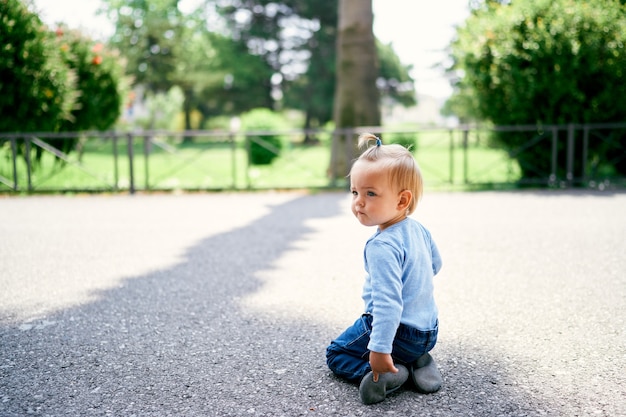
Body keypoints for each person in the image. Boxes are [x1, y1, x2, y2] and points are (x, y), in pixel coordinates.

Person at [326, 133, 443, 405]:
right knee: (404, 341)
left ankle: (391, 373)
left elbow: (387, 304)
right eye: (355, 192)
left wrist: (379, 349)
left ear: (402, 201)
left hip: (398, 333)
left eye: (370, 193)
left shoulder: (382, 246)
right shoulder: (419, 229)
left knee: (336, 353)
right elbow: (435, 265)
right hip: (428, 331)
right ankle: (420, 360)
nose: (358, 201)